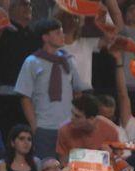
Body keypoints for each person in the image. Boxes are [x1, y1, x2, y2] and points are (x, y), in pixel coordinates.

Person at [15, 18, 91, 160]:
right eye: (57, 33)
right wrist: (34, 125)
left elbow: (78, 91)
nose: (62, 36)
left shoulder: (67, 60)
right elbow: (25, 96)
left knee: (70, 166)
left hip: (68, 126)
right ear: (45, 37)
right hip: (44, 126)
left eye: (62, 32)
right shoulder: (32, 62)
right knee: (46, 165)